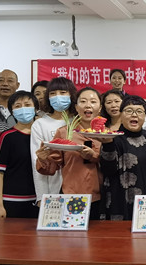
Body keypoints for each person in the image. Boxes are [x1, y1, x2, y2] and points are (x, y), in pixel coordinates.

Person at [35, 87, 103, 218]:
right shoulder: (64, 132)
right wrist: (43, 159)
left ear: (100, 107)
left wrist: (93, 156)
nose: (88, 105)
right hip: (71, 194)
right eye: (83, 101)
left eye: (93, 101)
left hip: (100, 196)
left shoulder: (107, 134)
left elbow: (112, 164)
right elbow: (52, 168)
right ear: (76, 107)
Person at [99, 95, 146, 220]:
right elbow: (107, 170)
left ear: (145, 116)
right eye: (129, 111)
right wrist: (107, 146)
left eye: (139, 111)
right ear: (121, 114)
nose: (134, 115)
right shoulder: (112, 138)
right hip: (121, 202)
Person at [0, 90, 40, 218]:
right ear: (12, 112)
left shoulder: (41, 136)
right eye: (18, 106)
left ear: (36, 109)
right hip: (11, 201)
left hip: (39, 201)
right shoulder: (6, 136)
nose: (23, 109)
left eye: (27, 105)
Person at [31, 77, 78, 205]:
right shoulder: (40, 124)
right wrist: (41, 196)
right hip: (53, 189)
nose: (57, 97)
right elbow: (36, 161)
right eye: (53, 93)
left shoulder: (79, 121)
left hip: (79, 188)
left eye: (63, 93)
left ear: (72, 95)